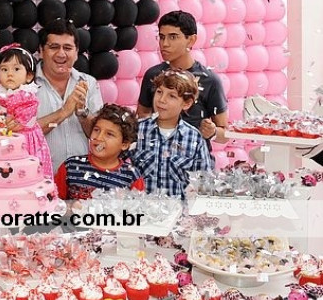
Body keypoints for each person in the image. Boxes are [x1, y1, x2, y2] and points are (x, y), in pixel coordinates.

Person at [137, 11, 228, 148]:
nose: (164, 44)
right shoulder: (153, 74)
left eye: (173, 37)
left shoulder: (210, 80)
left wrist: (213, 131)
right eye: (161, 37)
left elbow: (225, 134)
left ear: (191, 40)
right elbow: (142, 116)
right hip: (156, 155)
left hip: (194, 157)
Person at [35, 18, 104, 173]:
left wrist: (82, 113)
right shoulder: (26, 86)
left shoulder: (89, 83)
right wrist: (63, 112)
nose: (61, 54)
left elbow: (99, 138)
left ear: (76, 53)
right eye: (54, 47)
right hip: (39, 179)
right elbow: (23, 135)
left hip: (81, 178)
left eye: (67, 48)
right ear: (41, 51)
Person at [131, 69, 213, 198]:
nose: (162, 100)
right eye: (159, 92)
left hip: (180, 209)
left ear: (187, 103)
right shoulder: (136, 130)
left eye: (172, 96)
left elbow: (204, 182)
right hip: (141, 208)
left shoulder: (194, 138)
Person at [55, 104, 144, 200]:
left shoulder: (131, 176)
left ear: (124, 144)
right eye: (96, 130)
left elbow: (138, 207)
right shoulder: (70, 166)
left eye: (109, 134)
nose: (99, 137)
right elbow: (53, 203)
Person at [0, 43, 53, 179]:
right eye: (4, 69)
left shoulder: (27, 96)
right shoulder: (0, 95)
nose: (9, 74)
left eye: (16, 69)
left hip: (25, 140)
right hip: (5, 137)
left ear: (29, 76)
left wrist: (11, 123)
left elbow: (24, 119)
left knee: (26, 173)